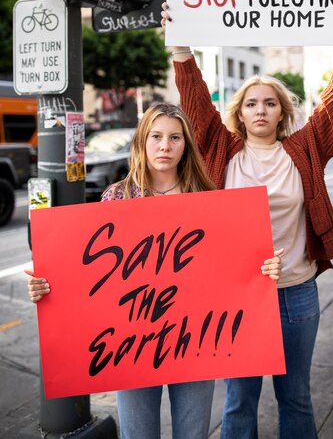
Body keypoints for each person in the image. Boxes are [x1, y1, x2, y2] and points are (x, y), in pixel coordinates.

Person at [161, 0, 333, 439]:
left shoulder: (304, 149)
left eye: (270, 103)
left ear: (283, 112)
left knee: (295, 396)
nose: (260, 110)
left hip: (296, 293)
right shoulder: (221, 149)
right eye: (251, 104)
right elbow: (196, 98)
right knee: (239, 401)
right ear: (239, 114)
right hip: (235, 298)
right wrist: (180, 44)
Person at [25, 101, 282, 439]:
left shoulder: (208, 199)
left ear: (186, 145)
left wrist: (264, 268)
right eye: (156, 136)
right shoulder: (115, 200)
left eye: (175, 138)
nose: (165, 146)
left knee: (192, 434)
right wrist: (47, 287)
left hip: (194, 339)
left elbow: (230, 269)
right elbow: (91, 277)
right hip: (129, 343)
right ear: (142, 142)